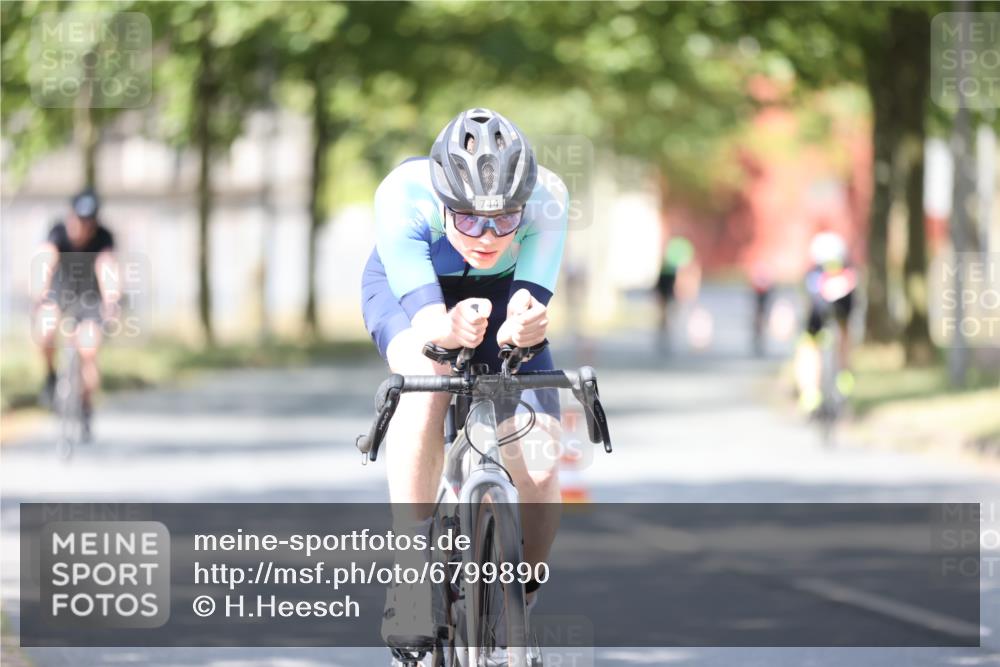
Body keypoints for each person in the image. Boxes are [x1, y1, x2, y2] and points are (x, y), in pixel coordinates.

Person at [360, 108, 567, 651]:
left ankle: (522, 596)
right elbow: (431, 328)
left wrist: (525, 327)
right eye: (469, 219)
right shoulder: (402, 194)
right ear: (443, 201)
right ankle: (411, 574)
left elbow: (528, 307)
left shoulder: (548, 197)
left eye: (504, 220)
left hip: (501, 294)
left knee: (540, 468)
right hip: (415, 288)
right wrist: (450, 331)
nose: (487, 235)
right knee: (425, 370)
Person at [34, 188, 120, 440]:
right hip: (60, 295)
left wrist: (112, 299)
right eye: (80, 218)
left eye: (89, 219)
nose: (84, 225)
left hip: (91, 301)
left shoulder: (104, 238)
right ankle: (50, 377)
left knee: (89, 349)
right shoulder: (57, 232)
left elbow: (108, 268)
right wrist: (40, 291)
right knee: (45, 329)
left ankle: (85, 404)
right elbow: (45, 259)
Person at [794, 230, 857, 414]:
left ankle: (809, 392)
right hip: (840, 309)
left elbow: (806, 300)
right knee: (844, 332)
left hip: (817, 312)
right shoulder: (847, 269)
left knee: (808, 344)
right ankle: (844, 375)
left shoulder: (813, 272)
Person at [653, 234, 696, 354]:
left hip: (670, 281)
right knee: (666, 311)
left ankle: (668, 328)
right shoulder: (672, 248)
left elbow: (687, 270)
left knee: (670, 310)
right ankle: (665, 328)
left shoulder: (681, 248)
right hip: (667, 280)